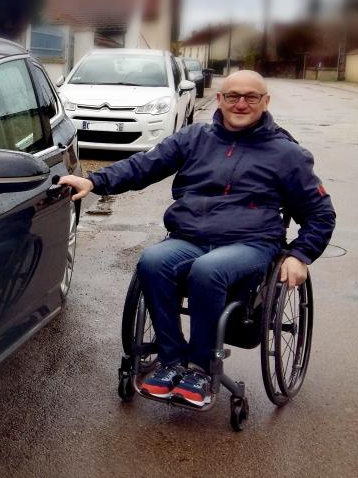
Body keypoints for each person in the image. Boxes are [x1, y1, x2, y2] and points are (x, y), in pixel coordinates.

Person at [58, 70, 336, 408]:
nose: (241, 103)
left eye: (251, 97)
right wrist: (96, 182)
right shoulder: (194, 138)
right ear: (219, 100)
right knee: (153, 260)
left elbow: (321, 213)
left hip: (250, 244)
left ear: (265, 102)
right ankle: (172, 360)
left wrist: (301, 254)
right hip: (189, 236)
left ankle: (201, 369)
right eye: (233, 96)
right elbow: (145, 165)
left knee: (207, 270)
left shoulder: (286, 154)